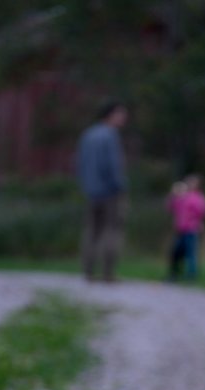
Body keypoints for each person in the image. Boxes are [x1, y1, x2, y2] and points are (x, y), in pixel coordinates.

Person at [76, 100, 128, 282]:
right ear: (110, 115)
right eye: (120, 114)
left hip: (91, 191)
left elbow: (80, 163)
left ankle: (88, 271)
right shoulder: (110, 136)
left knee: (91, 231)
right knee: (111, 231)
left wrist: (86, 184)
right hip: (109, 191)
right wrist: (120, 186)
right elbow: (111, 165)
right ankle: (108, 273)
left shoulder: (88, 135)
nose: (124, 118)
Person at [166, 175, 205, 281]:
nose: (190, 184)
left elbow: (203, 211)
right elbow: (170, 208)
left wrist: (195, 220)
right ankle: (174, 274)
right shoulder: (181, 196)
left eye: (192, 182)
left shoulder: (198, 197)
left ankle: (191, 276)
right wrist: (173, 195)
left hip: (191, 229)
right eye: (188, 182)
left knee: (191, 253)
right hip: (180, 230)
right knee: (175, 253)